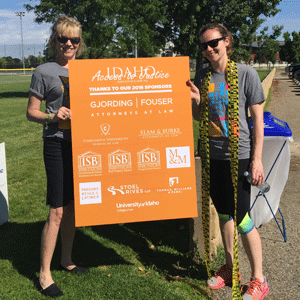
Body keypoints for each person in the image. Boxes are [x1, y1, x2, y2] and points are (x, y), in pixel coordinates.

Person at [187, 23, 269, 299]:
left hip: (240, 155)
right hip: (213, 155)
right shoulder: (202, 75)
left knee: (244, 218)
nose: (209, 49)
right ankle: (231, 269)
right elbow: (200, 117)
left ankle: (259, 279)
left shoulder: (246, 74)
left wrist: (257, 160)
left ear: (227, 42)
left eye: (214, 43)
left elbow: (258, 120)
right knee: (224, 214)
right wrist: (196, 100)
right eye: (204, 46)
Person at [27, 16, 86, 298]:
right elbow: (31, 112)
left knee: (73, 207)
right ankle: (44, 274)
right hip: (56, 143)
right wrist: (53, 115)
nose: (69, 44)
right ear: (55, 41)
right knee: (57, 210)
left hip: (85, 145)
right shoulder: (43, 71)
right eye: (63, 39)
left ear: (79, 43)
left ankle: (66, 259)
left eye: (74, 39)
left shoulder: (87, 71)